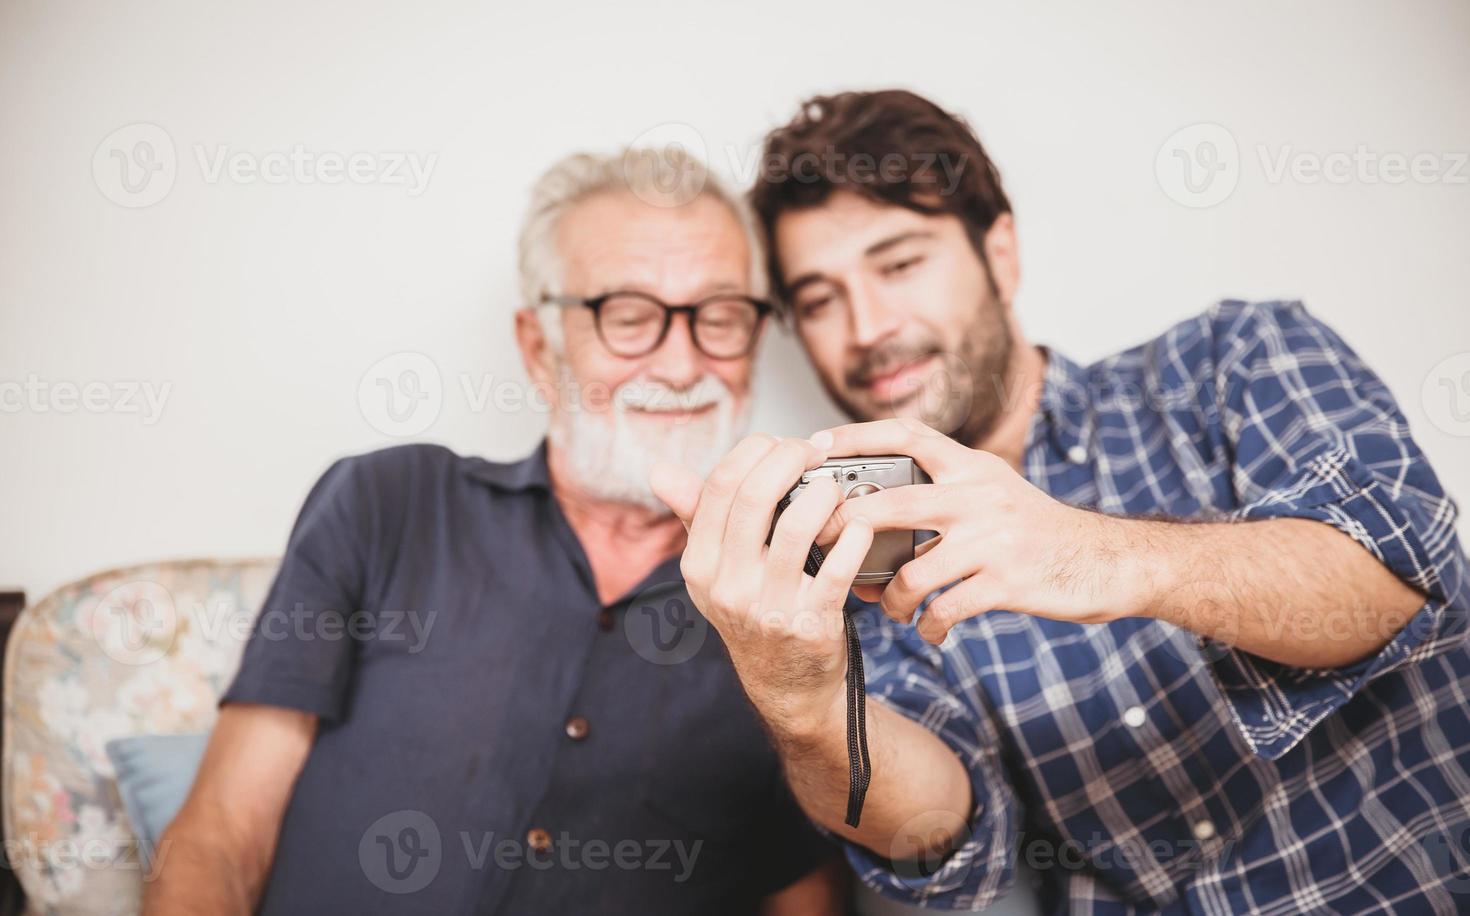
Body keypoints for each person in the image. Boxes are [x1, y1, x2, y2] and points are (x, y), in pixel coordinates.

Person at [650, 90, 1470, 913]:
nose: (866, 326)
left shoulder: (1231, 361)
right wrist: (806, 705)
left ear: (999, 252)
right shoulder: (864, 553)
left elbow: (1399, 571)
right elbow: (940, 839)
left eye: (899, 264)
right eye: (821, 300)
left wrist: (1088, 551)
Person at [146, 148, 844, 915]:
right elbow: (220, 832)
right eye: (629, 316)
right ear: (539, 349)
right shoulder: (389, 503)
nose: (682, 364)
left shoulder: (797, 588)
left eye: (720, 316)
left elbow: (800, 889)